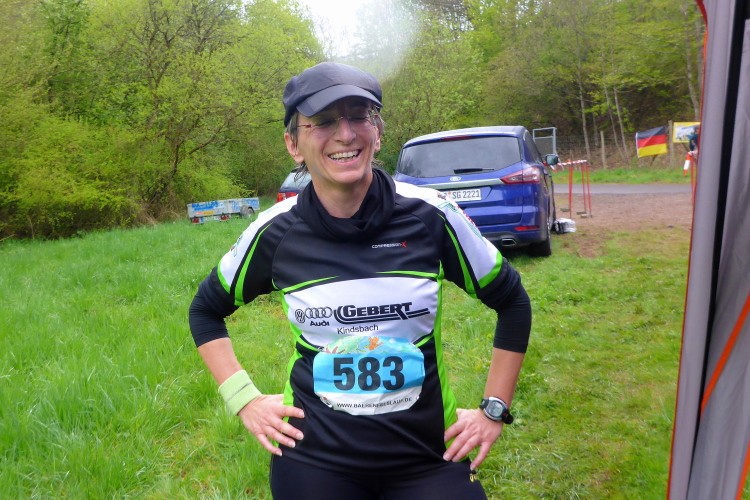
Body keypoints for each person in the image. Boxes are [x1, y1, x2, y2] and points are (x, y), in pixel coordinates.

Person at [189, 62, 532, 500]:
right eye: (324, 122)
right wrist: (244, 400)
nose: (346, 134)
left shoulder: (431, 215)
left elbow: (512, 301)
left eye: (358, 116)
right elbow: (206, 310)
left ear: (378, 132)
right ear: (293, 144)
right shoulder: (274, 232)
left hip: (428, 456)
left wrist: (494, 409)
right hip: (315, 460)